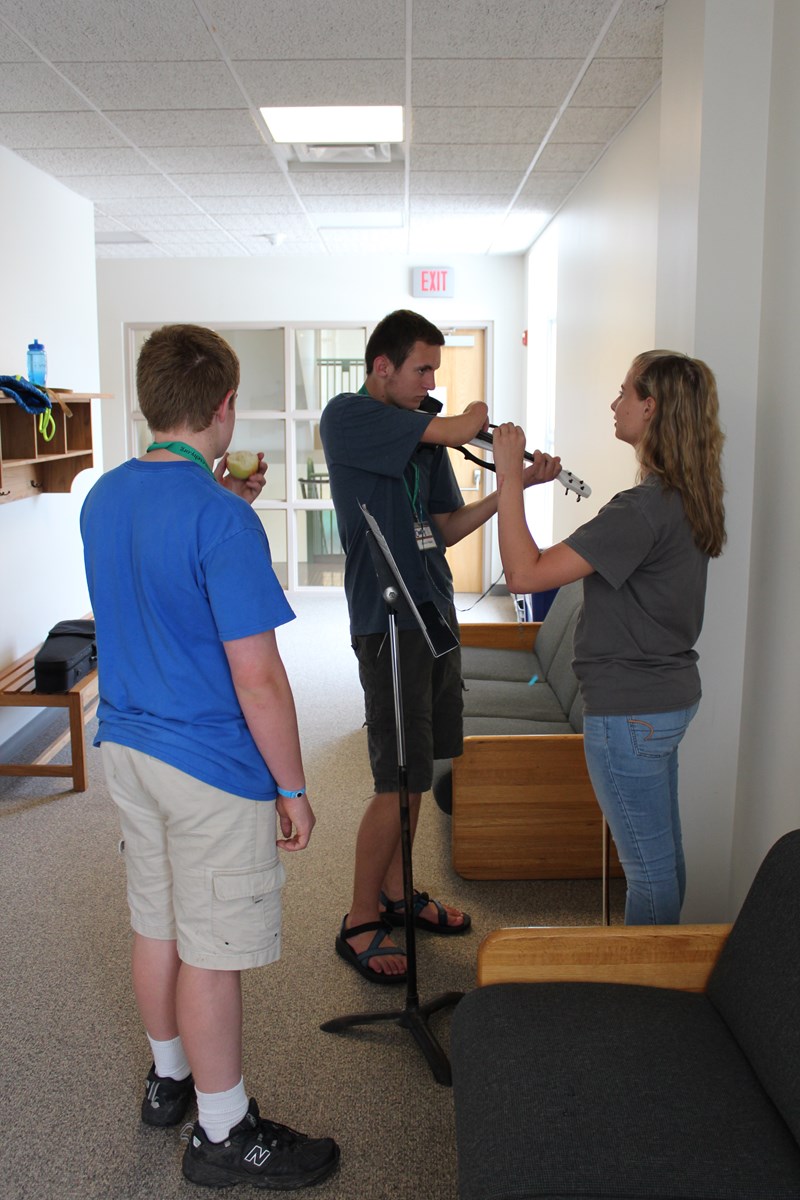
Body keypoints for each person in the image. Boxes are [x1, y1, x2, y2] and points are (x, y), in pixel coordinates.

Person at [80, 324, 339, 1190]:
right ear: (224, 407)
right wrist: (292, 786)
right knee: (212, 950)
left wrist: (223, 498)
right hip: (209, 767)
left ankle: (170, 1080)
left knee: (156, 922)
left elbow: (158, 574)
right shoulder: (221, 520)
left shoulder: (102, 497)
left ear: (150, 402)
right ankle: (223, 1133)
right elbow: (258, 678)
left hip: (127, 748)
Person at [319, 309, 560, 983]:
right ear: (382, 367)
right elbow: (458, 426)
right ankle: (360, 917)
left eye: (435, 371)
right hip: (389, 621)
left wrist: (511, 484)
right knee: (394, 779)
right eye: (423, 369)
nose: (431, 383)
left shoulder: (421, 436)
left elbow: (446, 526)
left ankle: (398, 894)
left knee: (418, 770)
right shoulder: (349, 416)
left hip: (435, 612)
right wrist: (482, 421)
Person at [492, 350, 726, 925]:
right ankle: (665, 963)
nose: (614, 403)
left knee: (646, 872)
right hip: (665, 699)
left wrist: (508, 477)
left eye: (625, 392)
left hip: (631, 711)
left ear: (651, 407)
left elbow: (524, 574)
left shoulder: (641, 509)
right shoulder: (685, 493)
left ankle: (647, 978)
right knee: (662, 860)